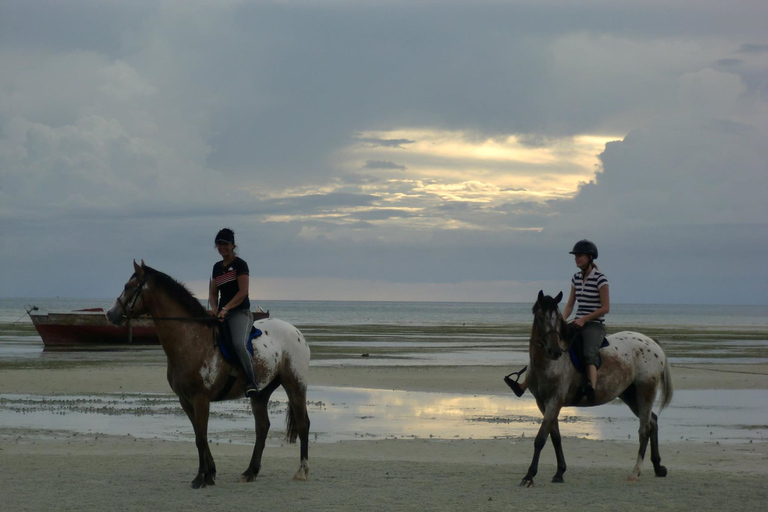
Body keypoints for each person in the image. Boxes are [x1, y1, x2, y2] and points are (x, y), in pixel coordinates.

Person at [505, 240, 610, 402]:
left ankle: (592, 387)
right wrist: (560, 321)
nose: (576, 259)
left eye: (580, 256)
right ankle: (523, 385)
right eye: (575, 256)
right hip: (577, 322)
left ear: (590, 257)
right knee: (552, 345)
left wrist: (584, 319)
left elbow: (605, 308)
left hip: (594, 325)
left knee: (589, 351)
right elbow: (569, 304)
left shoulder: (600, 279)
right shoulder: (575, 278)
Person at [209, 228, 259, 398]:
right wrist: (215, 308)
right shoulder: (216, 267)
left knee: (239, 344)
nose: (222, 247)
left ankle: (253, 381)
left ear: (232, 245)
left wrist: (226, 308)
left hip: (239, 312)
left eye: (225, 244)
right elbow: (213, 293)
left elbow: (243, 292)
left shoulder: (240, 265)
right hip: (222, 313)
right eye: (219, 244)